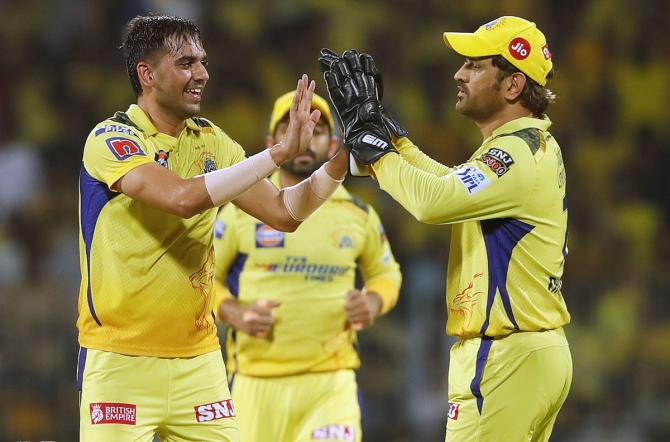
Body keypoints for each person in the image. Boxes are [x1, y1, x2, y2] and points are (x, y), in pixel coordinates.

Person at [76, 15, 347, 441]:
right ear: (146, 74)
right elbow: (183, 199)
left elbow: (283, 212)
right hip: (119, 362)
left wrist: (342, 159)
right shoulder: (111, 139)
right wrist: (276, 154)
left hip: (199, 363)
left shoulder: (212, 141)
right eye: (185, 63)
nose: (202, 73)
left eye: (202, 61)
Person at [319, 16, 572, 442]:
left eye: (475, 65)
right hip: (531, 352)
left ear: (512, 86)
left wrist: (375, 152)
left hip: (505, 356)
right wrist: (394, 143)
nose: (459, 73)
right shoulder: (525, 145)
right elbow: (450, 184)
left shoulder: (515, 152)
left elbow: (434, 202)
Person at [212, 91, 402, 442]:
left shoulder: (358, 214)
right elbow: (204, 279)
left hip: (330, 380)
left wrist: (373, 301)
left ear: (332, 145)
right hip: (255, 383)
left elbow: (386, 273)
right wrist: (234, 313)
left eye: (315, 131)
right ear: (272, 143)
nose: (303, 138)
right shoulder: (241, 211)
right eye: (290, 129)